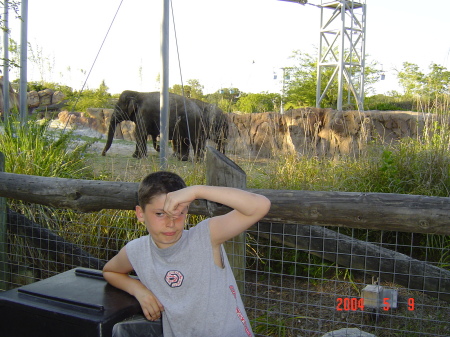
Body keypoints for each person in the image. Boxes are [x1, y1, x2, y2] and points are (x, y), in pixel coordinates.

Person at [103, 171, 271, 337]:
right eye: (160, 214)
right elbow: (111, 271)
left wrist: (197, 191)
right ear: (140, 213)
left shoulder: (206, 236)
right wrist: (139, 290)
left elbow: (260, 206)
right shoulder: (137, 250)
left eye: (179, 212)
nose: (171, 223)